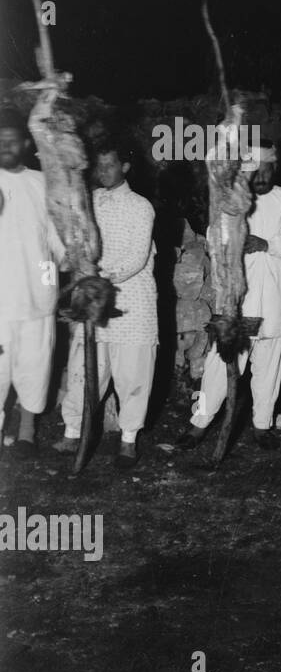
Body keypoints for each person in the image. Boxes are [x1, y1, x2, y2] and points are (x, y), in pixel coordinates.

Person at [178, 144, 281, 450]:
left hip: (274, 299)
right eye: (254, 168)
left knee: (269, 367)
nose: (260, 174)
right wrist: (231, 238)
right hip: (238, 301)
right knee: (219, 366)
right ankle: (199, 422)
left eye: (267, 168)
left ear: (275, 169)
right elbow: (211, 236)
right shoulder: (232, 198)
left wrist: (265, 243)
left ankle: (262, 425)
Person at [55, 145, 157, 468]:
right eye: (99, 167)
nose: (103, 172)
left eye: (110, 166)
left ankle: (128, 439)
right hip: (91, 299)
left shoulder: (141, 206)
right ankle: (73, 429)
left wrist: (100, 278)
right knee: (84, 369)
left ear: (125, 167)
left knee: (132, 373)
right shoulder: (89, 201)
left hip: (130, 301)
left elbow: (137, 257)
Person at [0, 111, 63, 460]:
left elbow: (55, 244)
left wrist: (49, 288)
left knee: (34, 366)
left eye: (11, 139)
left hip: (37, 297)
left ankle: (26, 432)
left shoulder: (43, 182)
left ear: (26, 143)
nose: (5, 146)